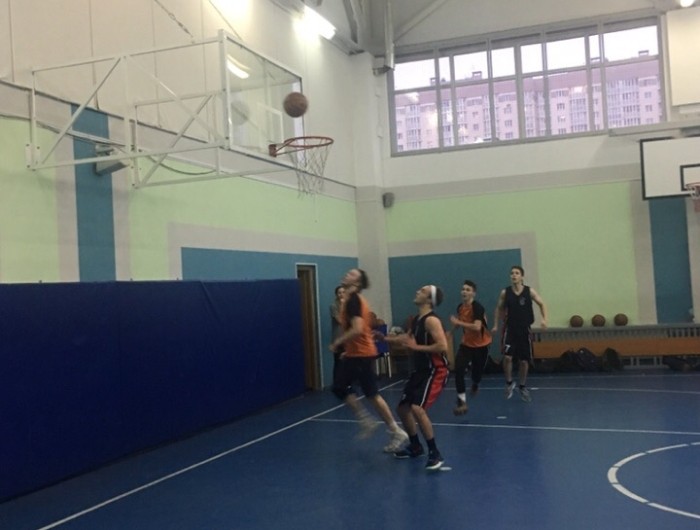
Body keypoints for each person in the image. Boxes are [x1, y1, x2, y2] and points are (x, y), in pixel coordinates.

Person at [329, 268, 408, 453]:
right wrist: (348, 351)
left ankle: (383, 426)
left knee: (365, 392)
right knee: (349, 388)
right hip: (357, 353)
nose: (347, 274)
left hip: (362, 354)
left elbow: (357, 329)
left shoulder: (354, 300)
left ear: (357, 283)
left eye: (352, 274)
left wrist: (339, 342)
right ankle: (377, 424)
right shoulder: (351, 300)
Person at [378, 285, 449, 471]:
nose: (417, 291)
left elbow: (443, 346)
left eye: (422, 291)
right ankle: (416, 446)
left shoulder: (431, 320)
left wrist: (416, 348)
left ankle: (435, 453)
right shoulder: (417, 319)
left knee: (417, 408)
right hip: (420, 371)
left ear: (429, 300)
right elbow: (406, 338)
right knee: (402, 409)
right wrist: (384, 339)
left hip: (436, 370)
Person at [491, 265, 548, 402]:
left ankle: (522, 386)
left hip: (524, 329)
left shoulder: (529, 291)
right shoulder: (505, 292)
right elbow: (498, 308)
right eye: (512, 273)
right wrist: (496, 325)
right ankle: (509, 383)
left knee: (524, 360)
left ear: (522, 276)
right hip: (510, 329)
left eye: (517, 273)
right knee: (507, 357)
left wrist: (544, 319)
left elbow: (542, 304)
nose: (514, 275)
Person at [449, 280, 492, 415]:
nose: (464, 292)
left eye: (468, 290)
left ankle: (475, 384)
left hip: (481, 345)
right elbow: (459, 323)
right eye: (463, 289)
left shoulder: (477, 308)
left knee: (476, 374)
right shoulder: (460, 308)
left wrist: (458, 322)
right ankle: (462, 402)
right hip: (466, 344)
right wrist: (450, 332)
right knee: (459, 369)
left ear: (473, 293)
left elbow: (477, 327)